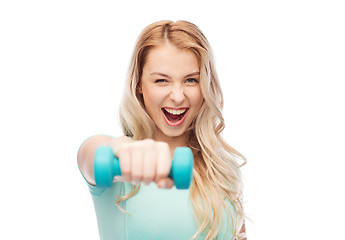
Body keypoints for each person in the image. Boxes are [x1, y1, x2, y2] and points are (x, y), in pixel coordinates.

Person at [78, 20, 247, 240]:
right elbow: (90, 155)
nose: (178, 96)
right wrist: (122, 149)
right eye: (161, 80)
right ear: (139, 83)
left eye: (190, 80)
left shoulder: (223, 170)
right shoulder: (117, 166)